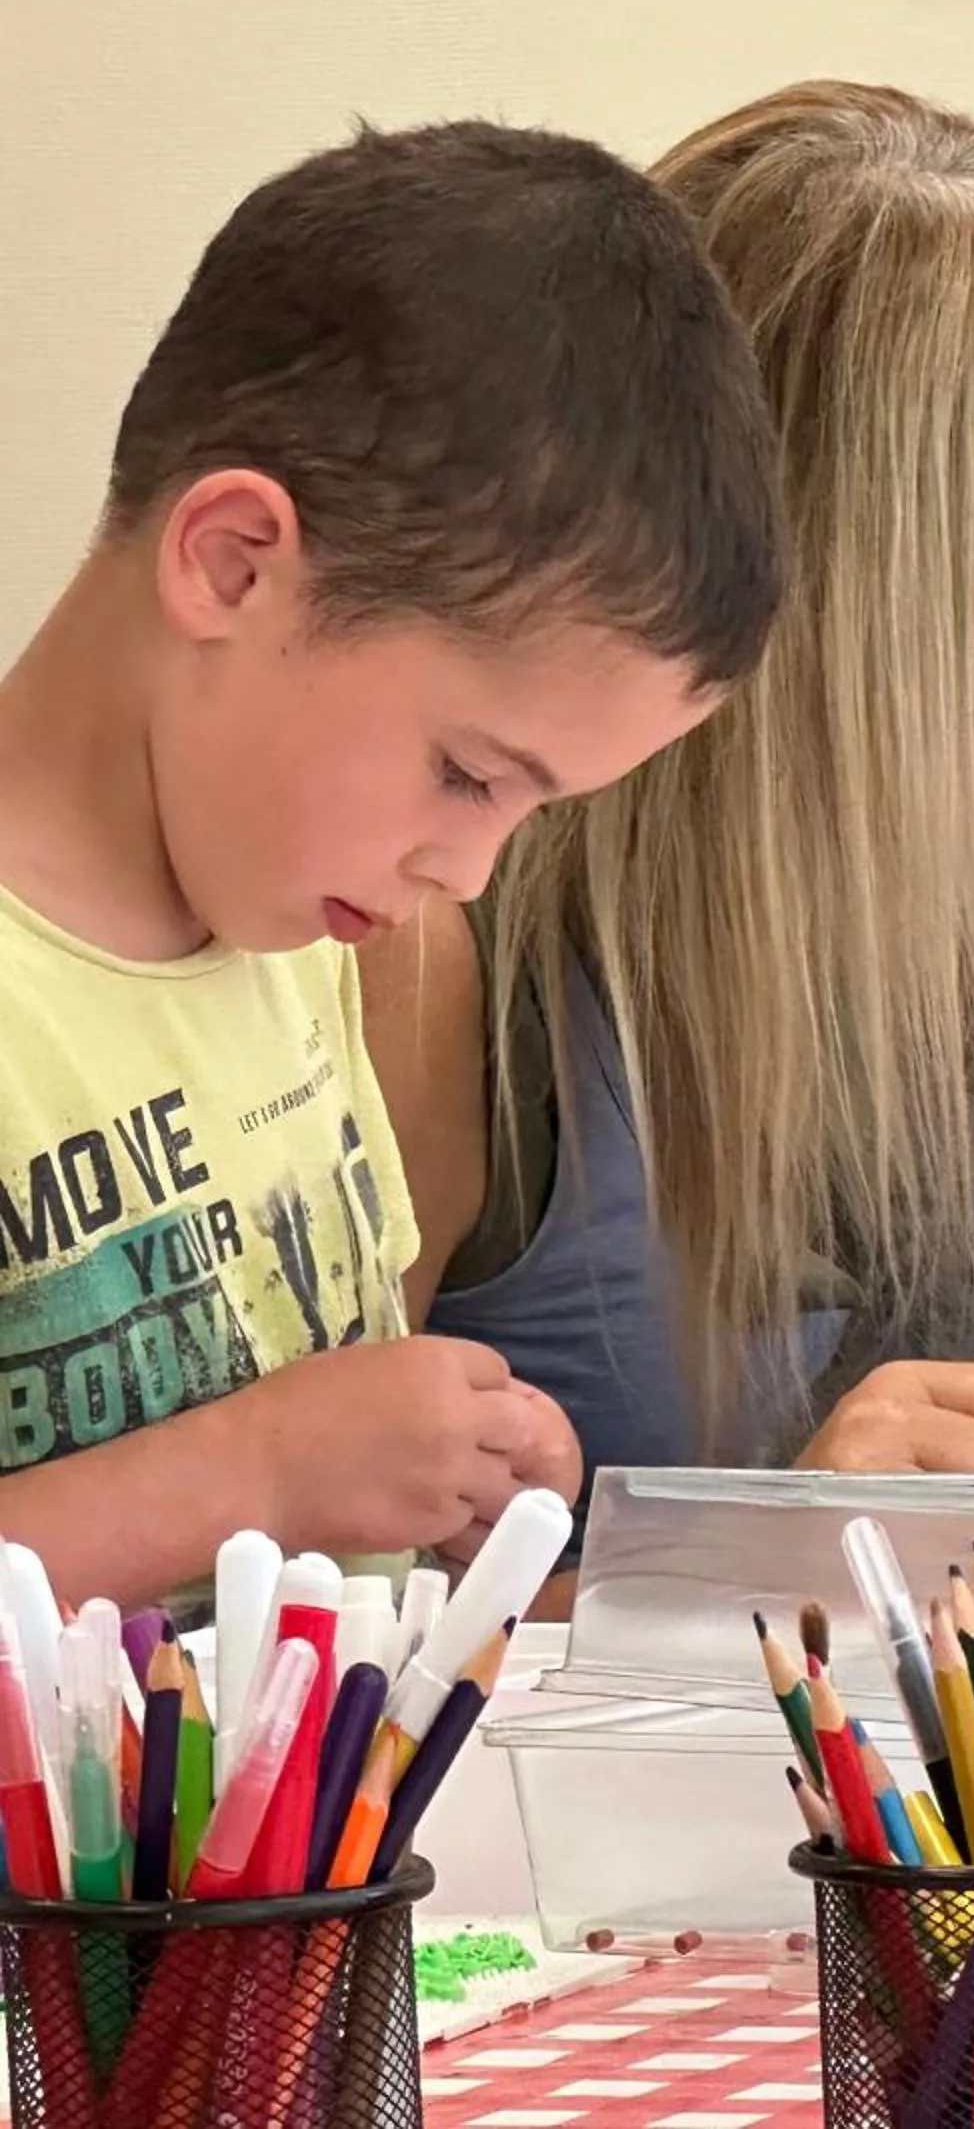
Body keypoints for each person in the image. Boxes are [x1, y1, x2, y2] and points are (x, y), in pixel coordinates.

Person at [366, 82, 974, 1511]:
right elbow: (299, 1645)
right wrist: (767, 1548)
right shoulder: (427, 952)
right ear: (863, 603)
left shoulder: (915, 938)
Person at [0, 119, 785, 1603]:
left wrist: (459, 1497)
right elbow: (249, 1477)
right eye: (466, 773)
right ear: (233, 561)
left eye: (525, 810)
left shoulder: (300, 929)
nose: (473, 871)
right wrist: (250, 1476)